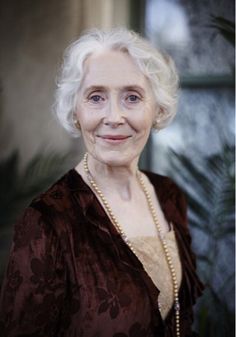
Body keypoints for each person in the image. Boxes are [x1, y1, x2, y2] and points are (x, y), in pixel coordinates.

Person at [0, 28, 204, 337]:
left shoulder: (169, 196)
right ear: (76, 110)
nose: (114, 116)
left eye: (132, 97)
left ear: (156, 109)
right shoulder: (46, 222)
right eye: (96, 97)